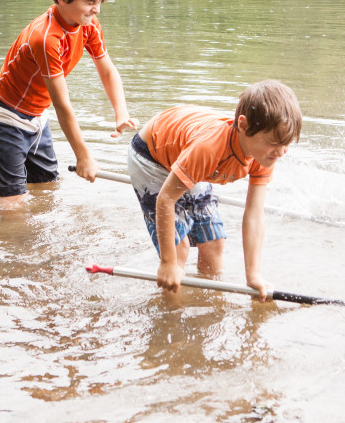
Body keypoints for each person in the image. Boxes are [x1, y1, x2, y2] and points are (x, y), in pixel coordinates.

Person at [0, 0, 137, 207]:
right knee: (13, 203)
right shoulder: (46, 38)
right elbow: (63, 105)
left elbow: (107, 70)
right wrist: (83, 155)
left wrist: (121, 112)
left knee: (47, 189)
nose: (96, 10)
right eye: (89, 2)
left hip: (37, 116)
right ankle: (9, 240)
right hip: (4, 116)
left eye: (99, 2)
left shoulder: (88, 25)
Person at [127, 80, 301, 301]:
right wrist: (168, 263)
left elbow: (255, 213)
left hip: (189, 156)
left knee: (214, 243)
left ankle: (209, 303)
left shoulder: (265, 155)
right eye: (275, 143)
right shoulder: (209, 149)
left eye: (286, 144)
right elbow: (166, 200)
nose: (281, 153)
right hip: (152, 156)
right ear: (244, 126)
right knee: (178, 250)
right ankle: (171, 314)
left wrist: (253, 274)